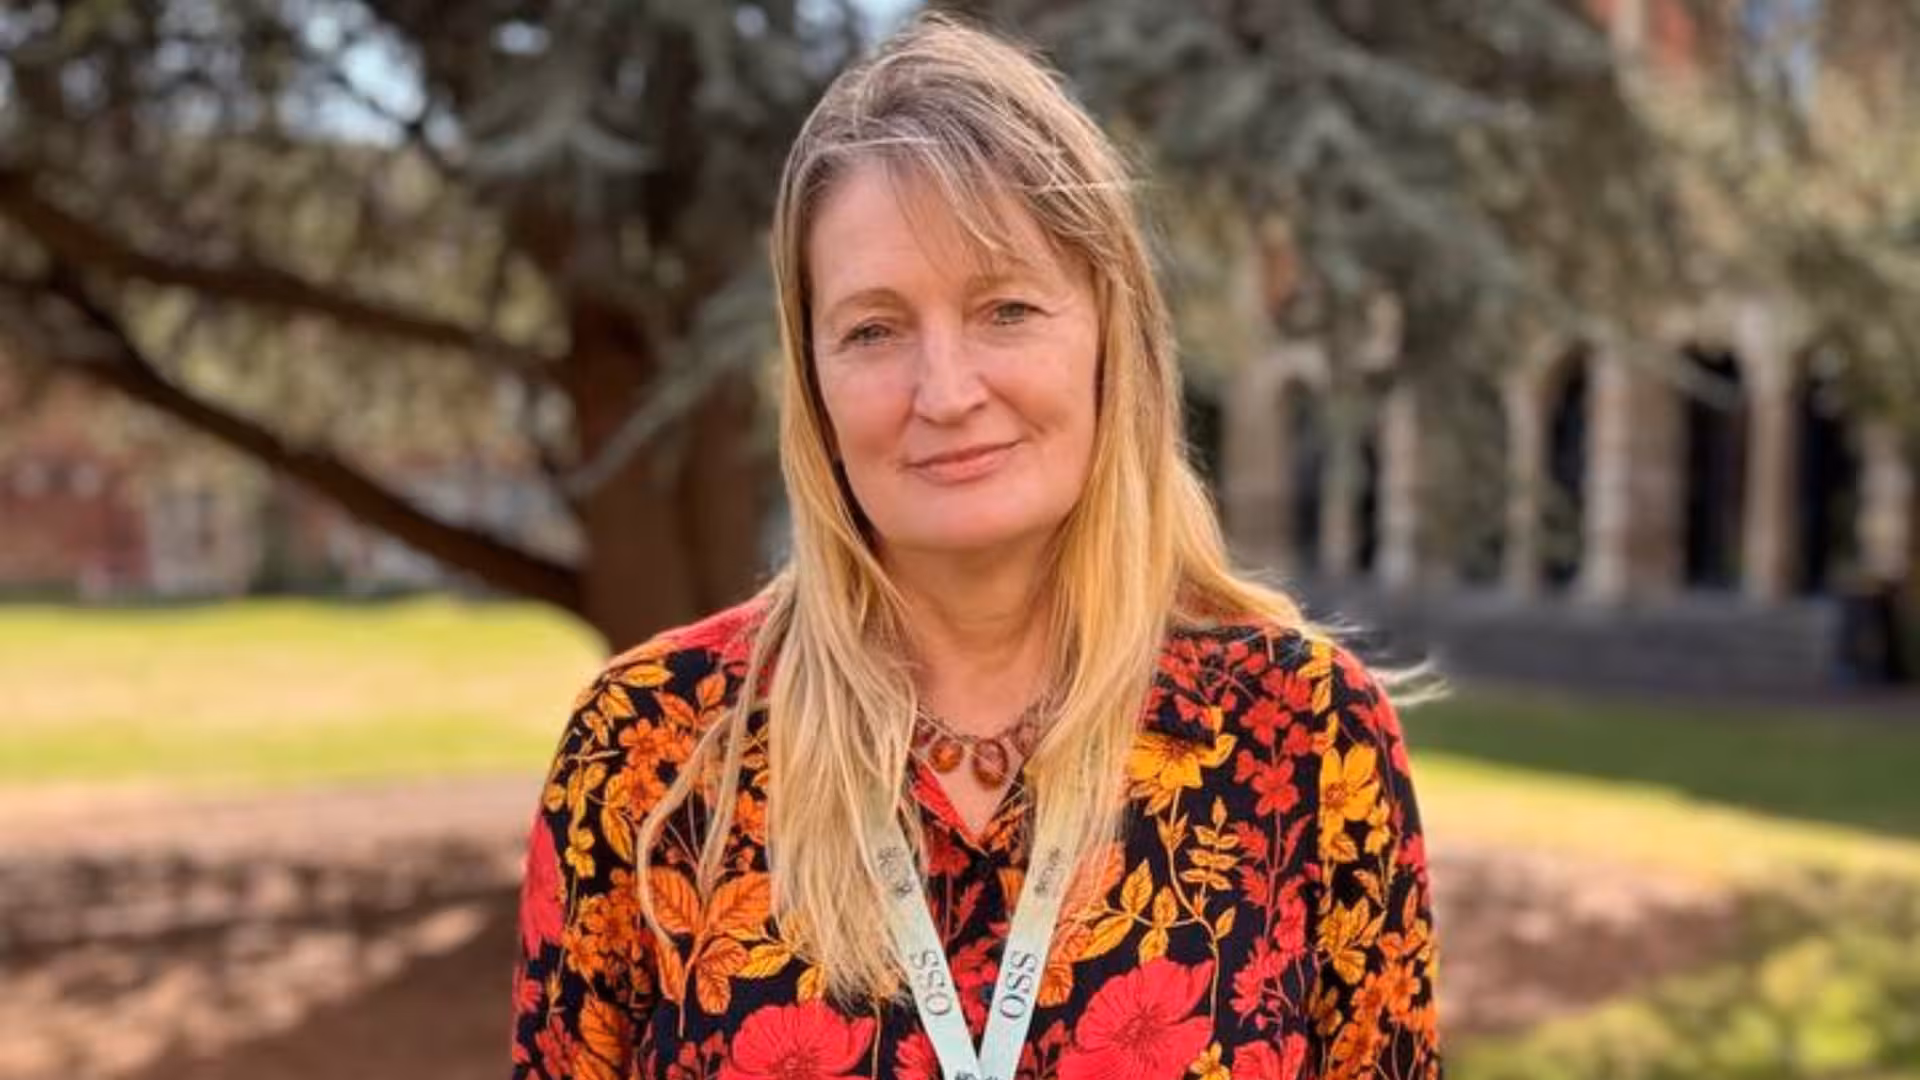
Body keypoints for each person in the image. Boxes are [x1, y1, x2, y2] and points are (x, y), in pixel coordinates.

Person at [509, 13, 1440, 1080]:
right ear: (809, 380)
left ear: (1111, 336)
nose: (946, 393)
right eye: (873, 329)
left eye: (1005, 308)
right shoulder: (648, 754)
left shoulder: (1303, 738)